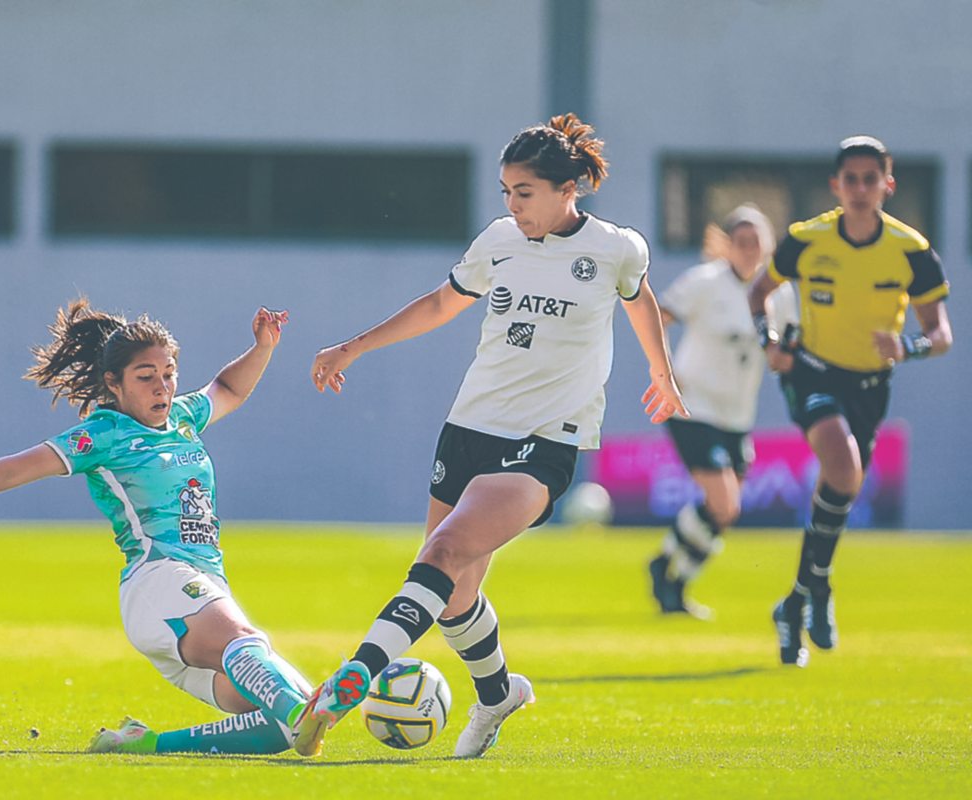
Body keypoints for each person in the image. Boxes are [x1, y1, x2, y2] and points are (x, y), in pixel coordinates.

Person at [295, 113, 688, 758]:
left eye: (524, 192)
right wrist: (354, 347)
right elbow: (441, 304)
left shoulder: (618, 248)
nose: (513, 205)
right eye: (505, 191)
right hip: (468, 427)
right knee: (455, 595)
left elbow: (638, 299)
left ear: (569, 189)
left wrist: (661, 373)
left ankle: (353, 677)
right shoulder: (499, 241)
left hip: (545, 441)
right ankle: (498, 694)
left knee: (442, 556)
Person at [0, 299, 320, 756]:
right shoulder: (104, 434)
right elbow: (14, 468)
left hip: (203, 585)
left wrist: (263, 348)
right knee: (260, 662)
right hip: (159, 583)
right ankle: (310, 710)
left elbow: (229, 390)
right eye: (147, 377)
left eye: (169, 374)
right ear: (113, 384)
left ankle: (145, 745)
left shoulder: (180, 419)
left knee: (283, 719)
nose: (163, 387)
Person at [748, 135, 952, 667]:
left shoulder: (911, 249)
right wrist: (768, 341)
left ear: (888, 184)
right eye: (851, 179)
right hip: (812, 372)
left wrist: (908, 346)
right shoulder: (805, 239)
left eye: (871, 179)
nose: (861, 189)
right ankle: (817, 593)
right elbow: (758, 294)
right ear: (836, 185)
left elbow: (941, 334)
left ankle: (798, 598)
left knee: (843, 484)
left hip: (871, 385)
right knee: (842, 462)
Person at [647, 204, 796, 618]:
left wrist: (787, 358)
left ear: (769, 247)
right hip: (693, 406)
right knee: (724, 502)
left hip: (737, 415)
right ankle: (666, 572)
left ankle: (669, 572)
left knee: (723, 513)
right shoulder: (705, 282)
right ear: (727, 246)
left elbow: (783, 352)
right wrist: (664, 372)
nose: (749, 250)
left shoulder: (779, 294)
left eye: (757, 242)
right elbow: (658, 315)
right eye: (741, 242)